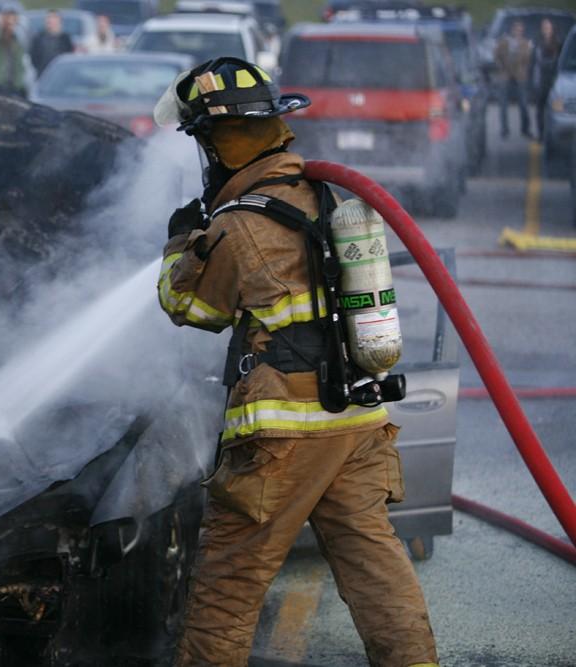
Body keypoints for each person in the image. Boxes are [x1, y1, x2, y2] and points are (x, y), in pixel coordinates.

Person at [152, 57, 439, 667]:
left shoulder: (239, 224)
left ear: (217, 146)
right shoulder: (328, 197)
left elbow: (191, 307)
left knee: (228, 585)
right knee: (376, 570)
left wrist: (180, 242)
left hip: (282, 438)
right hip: (357, 424)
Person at [494, 20, 533, 139]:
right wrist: (500, 66)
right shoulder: (504, 42)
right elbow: (496, 55)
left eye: (520, 30)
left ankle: (525, 129)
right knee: (503, 104)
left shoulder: (526, 43)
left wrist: (524, 67)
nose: (518, 32)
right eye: (516, 29)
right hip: (505, 75)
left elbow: (528, 60)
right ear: (512, 30)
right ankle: (504, 130)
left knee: (523, 104)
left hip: (520, 76)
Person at [533, 18, 562, 141]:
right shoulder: (538, 43)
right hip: (541, 82)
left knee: (557, 109)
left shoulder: (558, 43)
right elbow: (533, 63)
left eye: (548, 27)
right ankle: (541, 134)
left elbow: (560, 62)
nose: (546, 29)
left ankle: (556, 134)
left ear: (552, 29)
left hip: (555, 83)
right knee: (540, 109)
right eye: (544, 27)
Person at [29, 10, 74, 75]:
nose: (50, 20)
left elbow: (69, 55)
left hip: (62, 74)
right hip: (43, 74)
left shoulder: (65, 38)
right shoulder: (39, 38)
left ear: (59, 21)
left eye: (53, 18)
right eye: (48, 18)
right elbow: (33, 57)